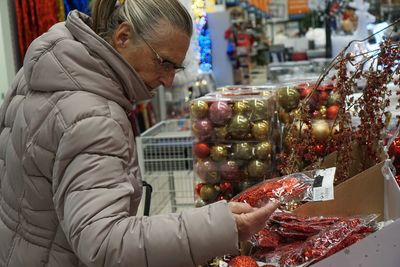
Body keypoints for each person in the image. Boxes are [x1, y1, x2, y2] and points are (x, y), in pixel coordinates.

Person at [0, 0, 278, 266]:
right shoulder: (95, 116)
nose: (169, 80)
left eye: (175, 68)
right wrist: (220, 226)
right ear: (123, 37)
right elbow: (104, 242)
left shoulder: (42, 70)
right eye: (164, 63)